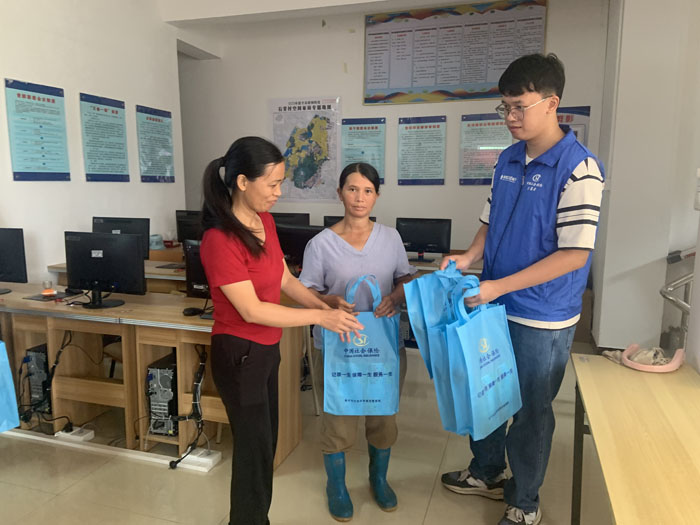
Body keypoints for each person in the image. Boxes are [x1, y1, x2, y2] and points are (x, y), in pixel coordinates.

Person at [440, 53, 604, 525]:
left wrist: (498, 286)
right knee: (488, 393)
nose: (510, 117)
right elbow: (490, 220)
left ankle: (525, 501)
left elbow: (574, 255)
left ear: (552, 104)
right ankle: (487, 471)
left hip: (541, 316)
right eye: (505, 107)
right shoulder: (508, 158)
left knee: (532, 410)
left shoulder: (580, 169)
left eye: (519, 107)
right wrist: (469, 258)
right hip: (494, 304)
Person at [199, 136, 363, 525]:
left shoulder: (265, 222)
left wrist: (322, 303)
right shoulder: (219, 239)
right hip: (239, 354)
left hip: (266, 351)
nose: (278, 192)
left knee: (265, 445)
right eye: (272, 184)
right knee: (253, 454)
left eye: (280, 183)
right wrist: (319, 319)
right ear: (242, 182)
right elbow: (252, 310)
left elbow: (285, 280)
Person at [299, 162, 417, 522]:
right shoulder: (320, 244)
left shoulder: (391, 238)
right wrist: (329, 301)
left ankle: (378, 479)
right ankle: (336, 487)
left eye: (367, 190)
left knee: (383, 417)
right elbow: (305, 293)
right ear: (339, 193)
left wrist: (394, 297)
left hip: (383, 346)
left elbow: (406, 279)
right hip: (337, 347)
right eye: (352, 189)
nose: (359, 198)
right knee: (338, 420)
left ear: (377, 196)